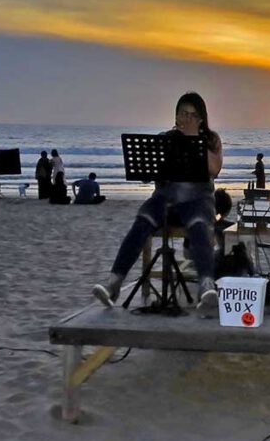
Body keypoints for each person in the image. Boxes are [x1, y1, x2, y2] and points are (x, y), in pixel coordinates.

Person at [93, 92, 223, 309]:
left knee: (200, 226)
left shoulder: (211, 139)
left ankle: (206, 286)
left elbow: (215, 169)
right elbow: (147, 172)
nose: (187, 118)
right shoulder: (166, 137)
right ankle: (113, 283)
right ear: (176, 115)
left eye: (193, 115)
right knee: (141, 221)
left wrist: (193, 138)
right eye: (183, 113)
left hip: (198, 200)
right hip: (166, 199)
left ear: (201, 119)